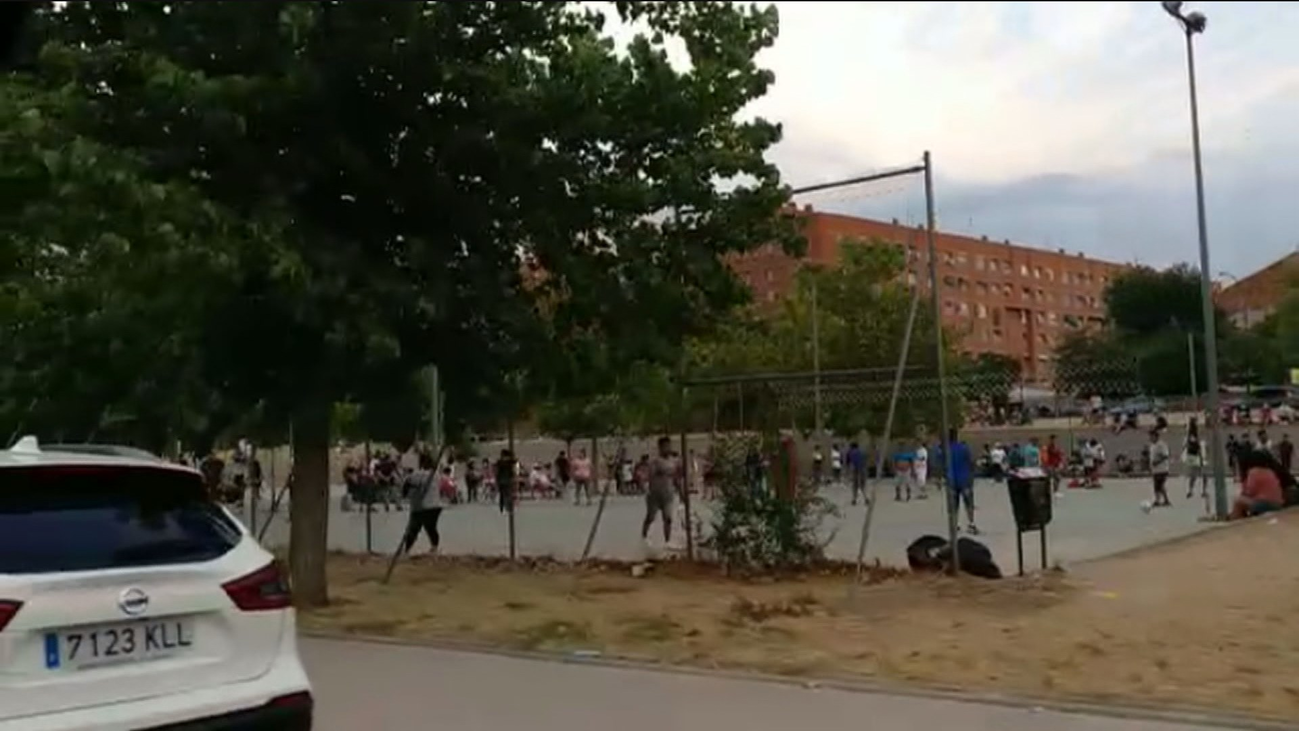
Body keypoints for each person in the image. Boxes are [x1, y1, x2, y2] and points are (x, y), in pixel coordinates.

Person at [400, 452, 444, 555]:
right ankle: (434, 548)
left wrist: (407, 494)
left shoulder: (414, 475)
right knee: (431, 528)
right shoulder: (436, 475)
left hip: (420, 507)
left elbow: (405, 489)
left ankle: (406, 550)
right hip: (434, 506)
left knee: (413, 529)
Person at [642, 436, 680, 545]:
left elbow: (675, 478)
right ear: (660, 448)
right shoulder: (655, 461)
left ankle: (667, 541)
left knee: (668, 518)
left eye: (668, 446)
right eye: (664, 446)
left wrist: (681, 492)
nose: (667, 448)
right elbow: (650, 476)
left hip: (668, 493)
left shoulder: (674, 461)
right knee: (650, 517)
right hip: (655, 494)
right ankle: (644, 536)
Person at [1230, 450, 1284, 519]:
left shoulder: (1253, 472)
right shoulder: (1270, 471)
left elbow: (1249, 492)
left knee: (1238, 501)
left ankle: (1235, 521)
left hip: (1265, 504)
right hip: (1277, 504)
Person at [947, 428, 977, 534]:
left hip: (951, 480)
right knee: (969, 503)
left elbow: (941, 465)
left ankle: (955, 525)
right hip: (964, 478)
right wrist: (972, 476)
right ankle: (971, 523)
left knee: (953, 505)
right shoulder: (964, 448)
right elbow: (971, 462)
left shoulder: (946, 450)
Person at [1148, 429, 1171, 507]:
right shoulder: (1152, 446)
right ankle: (1166, 500)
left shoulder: (1161, 445)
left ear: (1155, 436)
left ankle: (1158, 500)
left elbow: (1165, 456)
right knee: (1159, 485)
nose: (1150, 438)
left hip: (1162, 469)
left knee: (1159, 485)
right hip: (1155, 470)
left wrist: (1157, 462)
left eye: (1151, 436)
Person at [1183, 418, 1205, 499]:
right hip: (1195, 455)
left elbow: (1189, 444)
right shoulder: (1193, 433)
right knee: (1201, 473)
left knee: (1194, 474)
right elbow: (1195, 445)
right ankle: (1202, 490)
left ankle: (1191, 490)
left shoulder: (1190, 434)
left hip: (1192, 454)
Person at [494, 449, 517, 513]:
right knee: (508, 493)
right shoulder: (509, 462)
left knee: (502, 494)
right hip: (508, 480)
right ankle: (509, 507)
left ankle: (502, 508)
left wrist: (496, 480)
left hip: (501, 480)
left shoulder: (499, 462)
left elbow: (496, 471)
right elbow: (515, 462)